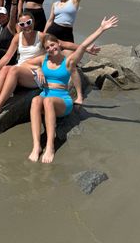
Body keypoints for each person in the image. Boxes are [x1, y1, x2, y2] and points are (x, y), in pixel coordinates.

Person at [0, 11, 97, 123]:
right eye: (22, 24)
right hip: (22, 68)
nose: (26, 26)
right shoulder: (18, 37)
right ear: (19, 25)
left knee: (13, 69)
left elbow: (63, 44)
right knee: (5, 69)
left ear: (33, 22)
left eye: (28, 22)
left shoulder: (41, 36)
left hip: (36, 73)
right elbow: (7, 57)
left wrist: (86, 49)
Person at [28, 16, 118, 164]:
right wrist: (37, 69)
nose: (51, 49)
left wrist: (101, 29)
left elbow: (82, 46)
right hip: (45, 95)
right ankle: (37, 145)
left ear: (58, 44)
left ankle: (50, 145)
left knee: (48, 100)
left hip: (62, 100)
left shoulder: (68, 62)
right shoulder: (44, 60)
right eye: (48, 47)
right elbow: (25, 63)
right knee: (36, 99)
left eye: (53, 45)